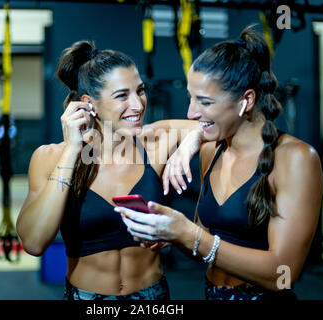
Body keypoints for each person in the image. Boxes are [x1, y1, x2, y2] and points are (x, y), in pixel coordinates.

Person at [117, 25, 323, 300]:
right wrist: (170, 234)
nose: (191, 112)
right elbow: (202, 244)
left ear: (246, 100)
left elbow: (284, 273)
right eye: (191, 98)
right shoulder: (210, 152)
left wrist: (188, 234)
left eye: (204, 102)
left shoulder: (296, 159)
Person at [16, 40, 199, 300]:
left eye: (141, 90)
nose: (137, 105)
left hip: (152, 296)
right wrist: (71, 151)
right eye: (122, 95)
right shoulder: (49, 157)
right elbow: (34, 243)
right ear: (89, 104)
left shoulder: (156, 141)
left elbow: (215, 126)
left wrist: (191, 141)